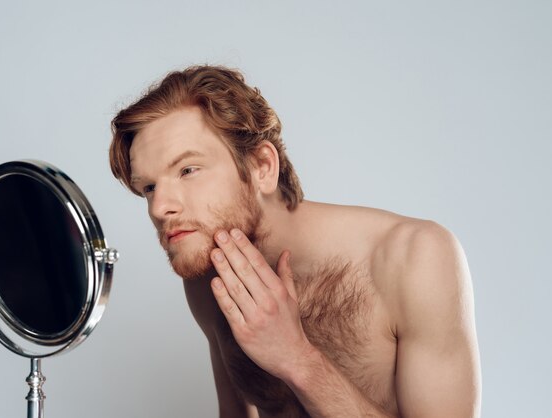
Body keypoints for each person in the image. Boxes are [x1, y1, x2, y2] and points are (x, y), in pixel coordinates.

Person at [109, 65, 481, 418]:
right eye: (149, 187)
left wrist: (298, 359)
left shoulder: (413, 258)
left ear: (262, 167)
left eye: (188, 170)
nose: (159, 207)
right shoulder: (209, 276)